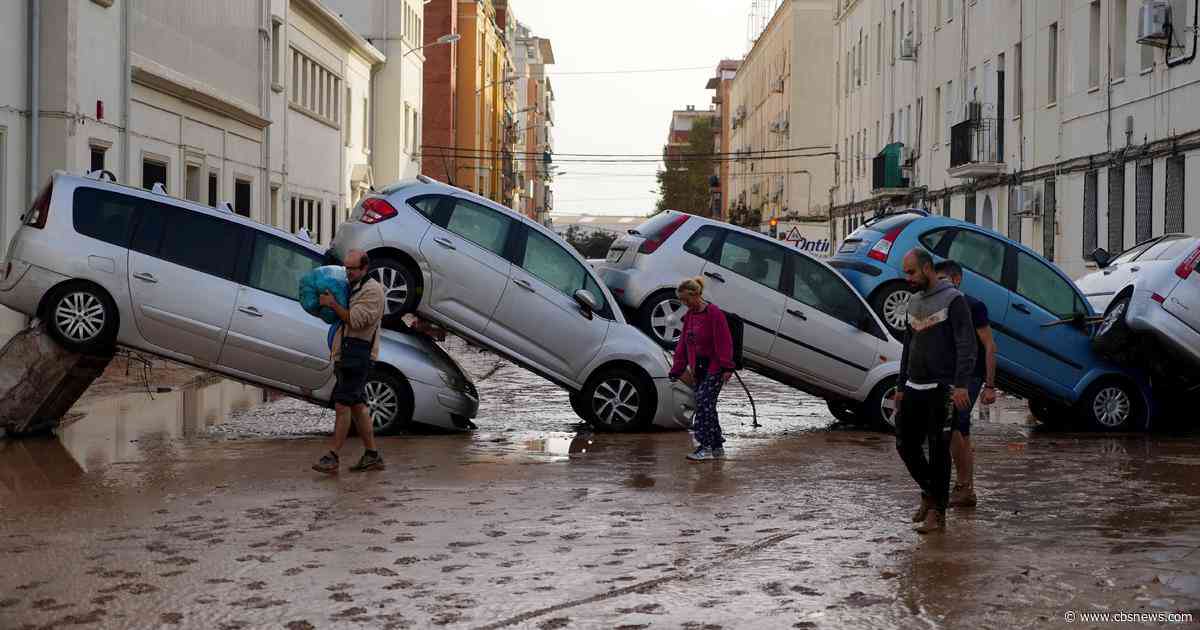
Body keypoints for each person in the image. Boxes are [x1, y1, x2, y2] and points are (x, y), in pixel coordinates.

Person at [894, 248, 977, 534]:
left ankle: (937, 514)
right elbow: (908, 346)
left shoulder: (954, 300)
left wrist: (961, 385)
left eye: (911, 272)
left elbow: (967, 345)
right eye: (906, 273)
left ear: (927, 268)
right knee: (905, 445)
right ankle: (931, 494)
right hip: (913, 387)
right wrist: (900, 385)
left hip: (942, 389)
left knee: (940, 450)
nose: (907, 278)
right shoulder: (913, 301)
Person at [312, 250, 387, 474]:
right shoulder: (354, 286)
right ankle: (372, 455)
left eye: (352, 269)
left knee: (342, 404)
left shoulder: (373, 291)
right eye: (346, 268)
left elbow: (355, 321)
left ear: (364, 268)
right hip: (347, 353)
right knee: (357, 406)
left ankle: (332, 456)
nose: (348, 272)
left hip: (359, 355)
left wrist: (333, 304)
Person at [934, 260, 998, 509]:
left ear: (956, 280)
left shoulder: (973, 306)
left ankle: (962, 487)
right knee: (961, 432)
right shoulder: (939, 306)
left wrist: (990, 386)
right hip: (949, 376)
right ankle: (966, 489)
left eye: (942, 280)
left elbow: (990, 345)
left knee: (955, 428)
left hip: (970, 376)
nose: (938, 285)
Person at [669, 277, 735, 461]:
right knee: (708, 407)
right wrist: (677, 368)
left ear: (696, 295)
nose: (684, 304)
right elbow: (683, 343)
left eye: (686, 300)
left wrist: (727, 367)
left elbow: (724, 342)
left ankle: (703, 446)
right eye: (682, 300)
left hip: (715, 367)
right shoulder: (690, 316)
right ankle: (717, 447)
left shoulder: (714, 313)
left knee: (704, 403)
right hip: (697, 369)